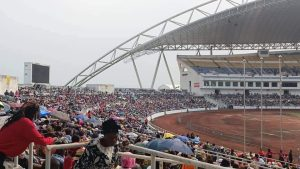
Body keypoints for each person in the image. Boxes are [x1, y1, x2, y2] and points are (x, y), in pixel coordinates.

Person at [0, 101, 55, 169]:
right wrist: (52, 139)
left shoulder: (19, 119)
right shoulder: (26, 122)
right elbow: (42, 140)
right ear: (34, 114)